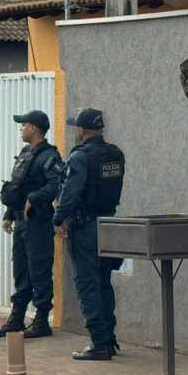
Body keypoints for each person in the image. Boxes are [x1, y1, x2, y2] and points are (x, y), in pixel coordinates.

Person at [54, 108, 125, 361]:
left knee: (87, 284)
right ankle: (109, 338)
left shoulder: (80, 157)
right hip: (108, 224)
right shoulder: (115, 154)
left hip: (84, 227)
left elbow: (71, 192)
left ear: (82, 130)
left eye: (76, 128)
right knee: (103, 281)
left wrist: (59, 218)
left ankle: (99, 343)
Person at [0, 110, 63, 339]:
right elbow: (17, 187)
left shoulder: (49, 156)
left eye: (24, 125)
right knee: (21, 271)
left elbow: (57, 185)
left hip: (38, 222)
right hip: (22, 222)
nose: (21, 129)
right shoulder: (25, 153)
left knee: (39, 270)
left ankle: (41, 321)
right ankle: (17, 318)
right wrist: (9, 213)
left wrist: (35, 198)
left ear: (34, 128)